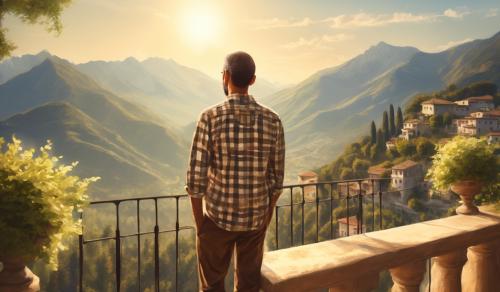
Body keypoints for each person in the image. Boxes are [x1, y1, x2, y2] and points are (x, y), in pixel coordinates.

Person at [185, 51, 285, 292]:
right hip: (255, 222)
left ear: (226, 76)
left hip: (217, 222)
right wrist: (266, 217)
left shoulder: (209, 118)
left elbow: (195, 181)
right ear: (252, 80)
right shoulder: (273, 120)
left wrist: (202, 228)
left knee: (212, 286)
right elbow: (276, 181)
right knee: (249, 286)